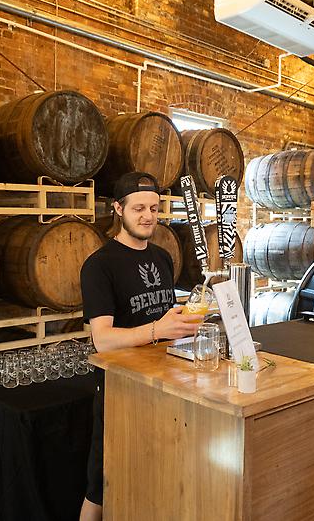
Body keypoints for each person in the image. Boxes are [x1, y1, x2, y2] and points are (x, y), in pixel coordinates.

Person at [78, 172, 202, 521]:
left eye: (153, 208)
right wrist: (156, 329)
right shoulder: (99, 266)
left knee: (151, 475)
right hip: (120, 388)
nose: (148, 216)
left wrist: (185, 324)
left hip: (163, 382)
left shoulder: (162, 257)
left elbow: (161, 317)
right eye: (138, 209)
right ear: (119, 209)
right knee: (102, 485)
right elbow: (102, 339)